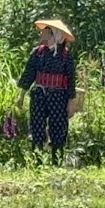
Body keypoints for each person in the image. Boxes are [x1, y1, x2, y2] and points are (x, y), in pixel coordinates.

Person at [15, 19, 77, 164]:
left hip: (58, 96)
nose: (41, 35)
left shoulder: (66, 57)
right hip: (39, 95)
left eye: (45, 33)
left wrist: (71, 103)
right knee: (36, 125)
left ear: (54, 36)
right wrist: (21, 97)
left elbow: (71, 81)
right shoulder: (37, 53)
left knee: (58, 127)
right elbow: (29, 74)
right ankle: (37, 160)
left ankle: (57, 160)